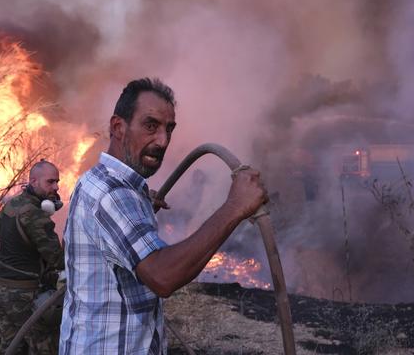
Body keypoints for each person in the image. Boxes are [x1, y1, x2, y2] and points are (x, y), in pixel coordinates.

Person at [59, 78, 268, 354]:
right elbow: (163, 277)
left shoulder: (102, 183)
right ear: (118, 127)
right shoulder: (112, 195)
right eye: (150, 126)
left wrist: (141, 205)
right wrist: (235, 207)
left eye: (169, 129)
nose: (163, 140)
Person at [0, 160, 65, 355]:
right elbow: (58, 259)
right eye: (50, 182)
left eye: (57, 182)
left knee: (10, 345)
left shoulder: (12, 204)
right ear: (33, 181)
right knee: (44, 346)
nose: (56, 187)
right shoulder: (36, 215)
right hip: (28, 295)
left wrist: (21, 246)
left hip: (3, 291)